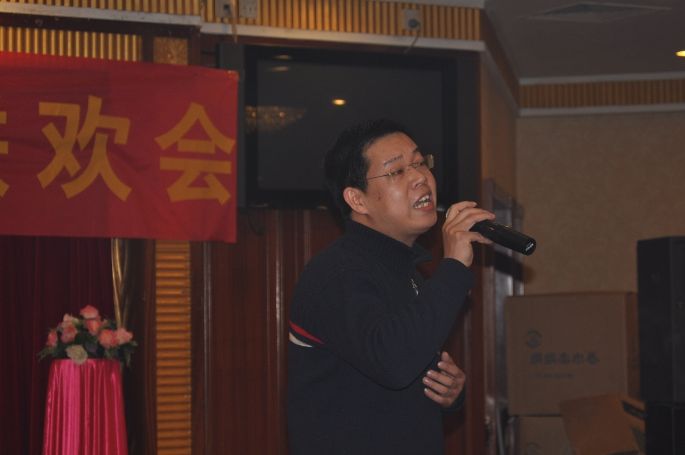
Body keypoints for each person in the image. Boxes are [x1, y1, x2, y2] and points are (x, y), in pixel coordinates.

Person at [287, 119, 494, 454]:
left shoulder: (405, 270)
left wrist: (450, 394)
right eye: (397, 171)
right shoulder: (336, 273)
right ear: (358, 200)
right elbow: (392, 362)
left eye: (420, 162)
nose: (420, 177)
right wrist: (454, 265)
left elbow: (400, 373)